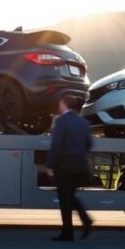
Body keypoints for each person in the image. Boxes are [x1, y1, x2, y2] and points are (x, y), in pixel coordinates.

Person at [46, 95, 94, 241]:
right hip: (79, 165)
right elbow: (89, 144)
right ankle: (85, 220)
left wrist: (50, 165)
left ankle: (68, 232)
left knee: (64, 199)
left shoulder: (61, 121)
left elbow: (56, 145)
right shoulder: (84, 122)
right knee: (70, 196)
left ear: (63, 104)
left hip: (64, 166)